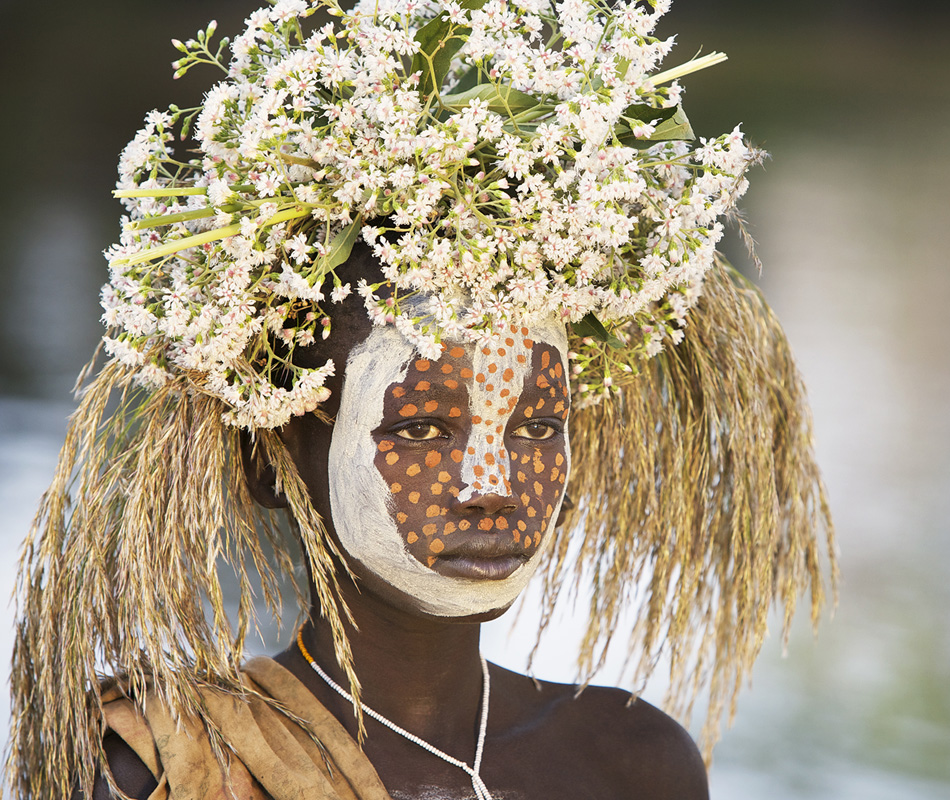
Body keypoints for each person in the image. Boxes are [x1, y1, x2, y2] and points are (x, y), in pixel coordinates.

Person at [9, 2, 835, 798]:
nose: (493, 483)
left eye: (537, 426)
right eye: (424, 427)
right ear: (274, 458)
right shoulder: (164, 766)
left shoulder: (633, 764)